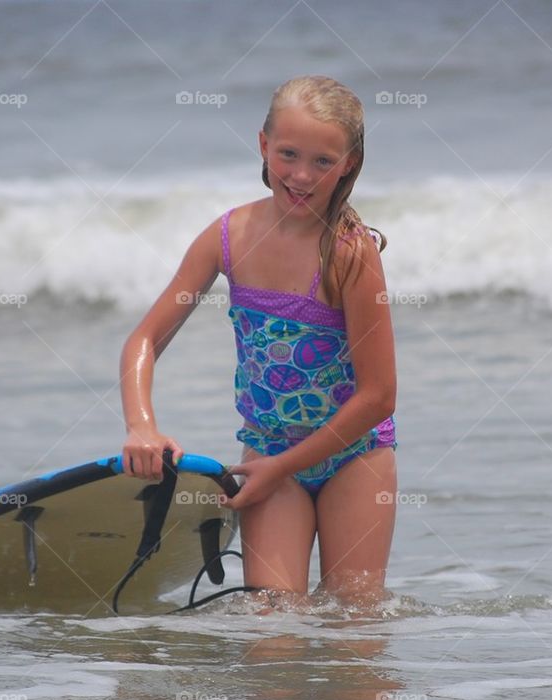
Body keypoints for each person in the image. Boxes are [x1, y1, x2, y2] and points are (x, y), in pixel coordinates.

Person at [119, 75, 397, 606]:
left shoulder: (349, 253)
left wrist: (284, 467)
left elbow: (379, 396)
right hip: (267, 452)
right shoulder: (228, 238)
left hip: (354, 457)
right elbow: (145, 340)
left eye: (323, 161)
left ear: (350, 164)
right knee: (271, 627)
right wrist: (142, 426)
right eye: (289, 153)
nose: (301, 175)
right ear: (264, 144)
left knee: (354, 625)